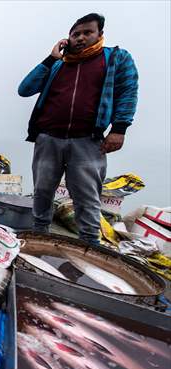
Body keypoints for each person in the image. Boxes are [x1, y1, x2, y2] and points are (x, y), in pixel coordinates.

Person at [18, 13, 138, 244]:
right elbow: (25, 89)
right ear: (67, 39)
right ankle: (39, 237)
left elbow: (128, 92)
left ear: (99, 34)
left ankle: (90, 246)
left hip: (87, 141)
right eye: (75, 34)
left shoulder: (115, 58)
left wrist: (119, 129)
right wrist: (50, 59)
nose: (81, 38)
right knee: (42, 192)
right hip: (48, 138)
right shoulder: (58, 64)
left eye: (87, 32)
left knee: (86, 198)